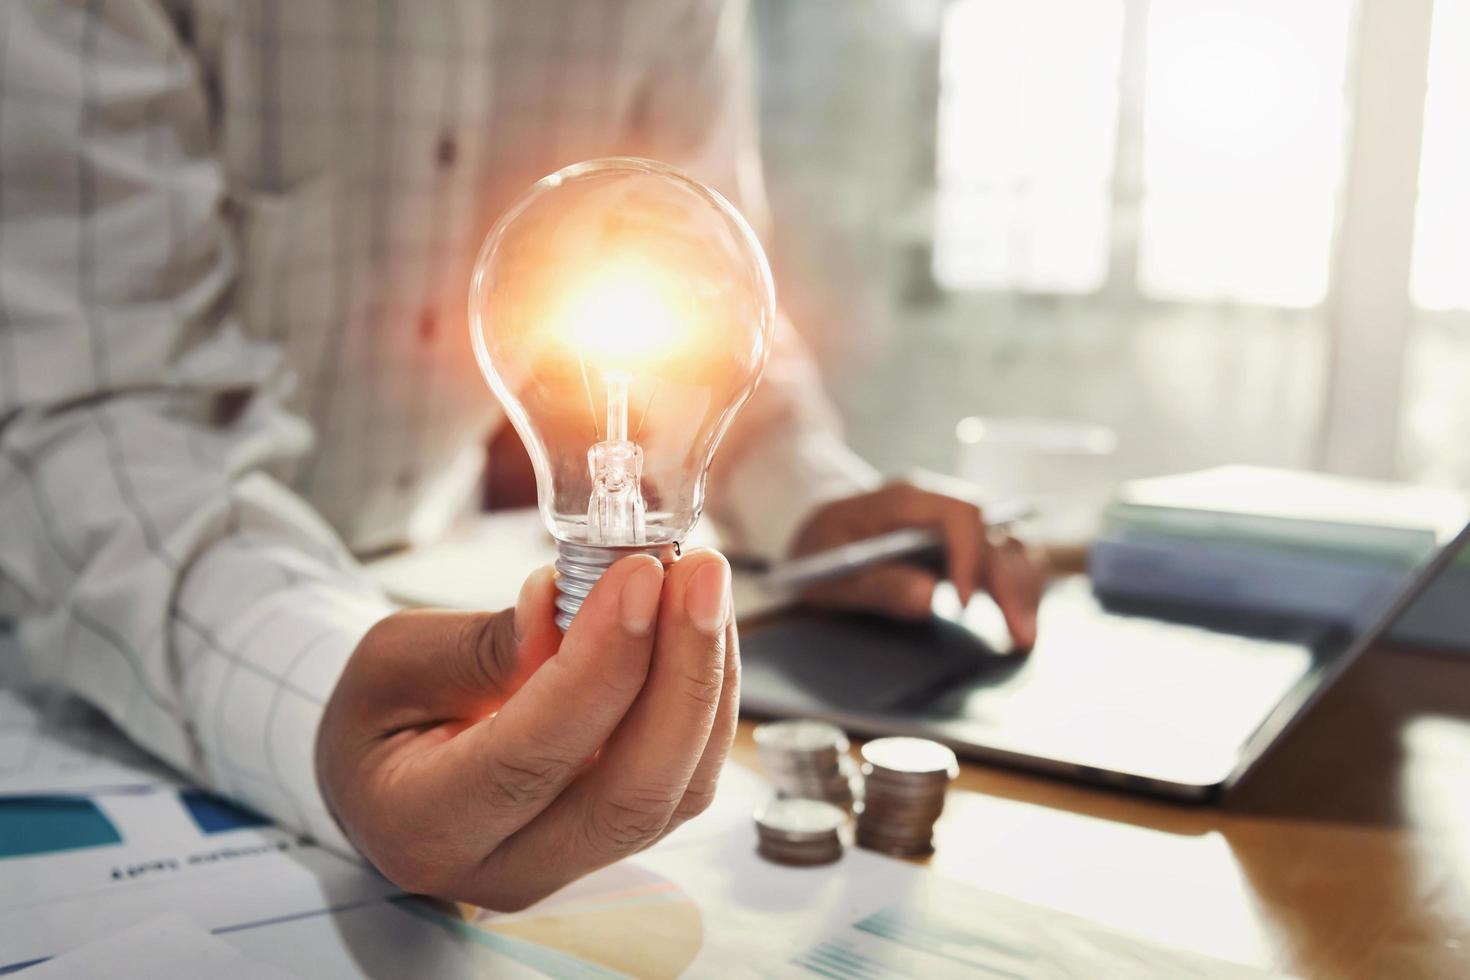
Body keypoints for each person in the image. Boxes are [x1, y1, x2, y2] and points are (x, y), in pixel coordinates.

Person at [0, 0, 1042, 910]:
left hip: (427, 590)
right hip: (125, 641)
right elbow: (99, 412)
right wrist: (325, 691)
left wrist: (812, 501)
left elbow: (707, 311)